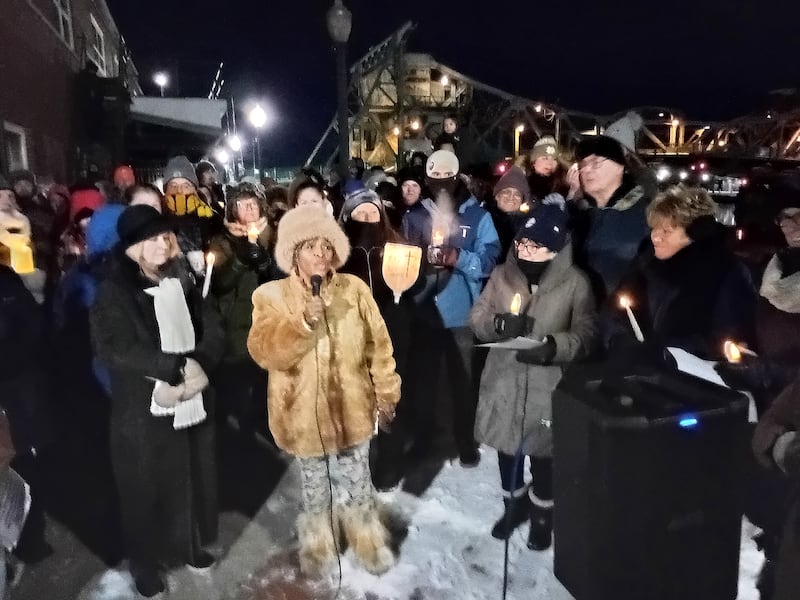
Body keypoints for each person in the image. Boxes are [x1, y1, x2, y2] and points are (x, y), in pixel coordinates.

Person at [247, 205, 400, 577]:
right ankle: (318, 544)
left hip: (353, 410)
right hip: (301, 417)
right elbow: (263, 350)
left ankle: (368, 539)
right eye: (310, 246)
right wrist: (303, 322)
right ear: (293, 253)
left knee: (359, 482)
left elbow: (378, 346)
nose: (320, 254)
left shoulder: (355, 290)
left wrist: (387, 393)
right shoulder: (271, 295)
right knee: (315, 490)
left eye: (326, 246)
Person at [90, 205, 223, 597]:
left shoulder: (185, 279)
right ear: (132, 248)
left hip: (192, 397)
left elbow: (211, 325)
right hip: (143, 406)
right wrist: (173, 368)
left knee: (187, 476)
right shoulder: (113, 290)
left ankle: (188, 545)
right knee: (142, 489)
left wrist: (201, 362)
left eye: (167, 236)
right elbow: (114, 348)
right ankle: (145, 566)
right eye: (153, 238)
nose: (164, 243)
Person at [470, 204, 596, 550]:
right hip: (504, 382)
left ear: (555, 250)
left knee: (544, 459)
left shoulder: (576, 283)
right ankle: (513, 507)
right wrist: (497, 325)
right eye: (522, 243)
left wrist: (555, 347)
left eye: (535, 247)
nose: (525, 251)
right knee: (507, 454)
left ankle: (542, 518)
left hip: (547, 387)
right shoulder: (500, 276)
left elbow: (586, 334)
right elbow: (477, 317)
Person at [401, 150, 501, 466]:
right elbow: (400, 263)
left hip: (463, 317)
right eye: (435, 179)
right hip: (426, 312)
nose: (441, 185)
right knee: (424, 383)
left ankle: (465, 440)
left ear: (458, 178)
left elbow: (489, 261)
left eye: (447, 178)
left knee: (464, 383)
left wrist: (458, 258)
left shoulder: (479, 217)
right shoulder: (415, 217)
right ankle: (424, 438)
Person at [605, 186, 755, 362]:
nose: (655, 237)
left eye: (666, 231)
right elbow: (614, 310)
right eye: (654, 228)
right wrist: (618, 339)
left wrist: (662, 349)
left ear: (696, 234)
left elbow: (728, 337)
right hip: (641, 372)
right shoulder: (646, 263)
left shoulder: (726, 272)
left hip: (690, 381)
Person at [339, 190, 415, 489]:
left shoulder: (396, 245)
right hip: (352, 335)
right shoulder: (339, 251)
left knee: (389, 400)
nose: (368, 218)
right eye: (361, 213)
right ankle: (357, 465)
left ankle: (388, 465)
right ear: (349, 216)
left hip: (393, 332)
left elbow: (413, 282)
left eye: (373, 212)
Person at [207, 183, 283, 443]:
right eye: (242, 204)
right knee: (237, 389)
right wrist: (239, 260)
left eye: (253, 203)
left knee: (266, 385)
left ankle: (265, 425)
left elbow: (281, 279)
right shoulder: (222, 240)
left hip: (268, 325)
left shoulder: (274, 235)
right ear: (232, 208)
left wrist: (265, 263)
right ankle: (239, 439)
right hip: (235, 325)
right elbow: (218, 283)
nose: (249, 209)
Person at [570, 128, 653, 305]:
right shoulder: (579, 215)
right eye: (582, 165)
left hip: (621, 322)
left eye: (596, 162)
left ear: (620, 166)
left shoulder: (647, 216)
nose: (586, 170)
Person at [161, 155, 222, 271]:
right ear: (166, 189)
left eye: (186, 185)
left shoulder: (212, 218)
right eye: (173, 185)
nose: (179, 191)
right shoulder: (159, 220)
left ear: (195, 189)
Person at [486, 165, 533, 261]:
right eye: (506, 192)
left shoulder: (528, 227)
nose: (511, 197)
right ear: (497, 196)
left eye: (517, 194)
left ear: (522, 201)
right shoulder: (483, 221)